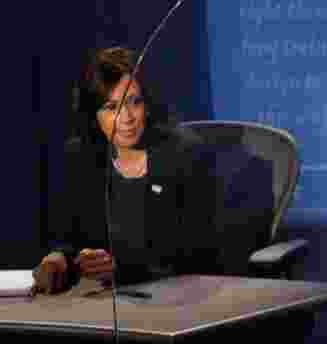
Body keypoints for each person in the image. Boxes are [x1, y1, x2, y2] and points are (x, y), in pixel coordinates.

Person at [35, 46, 220, 293]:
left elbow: (199, 253)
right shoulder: (80, 156)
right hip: (103, 304)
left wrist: (122, 270)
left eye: (135, 102)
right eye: (111, 107)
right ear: (93, 115)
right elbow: (69, 238)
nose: (127, 117)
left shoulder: (185, 154)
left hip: (180, 300)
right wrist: (58, 260)